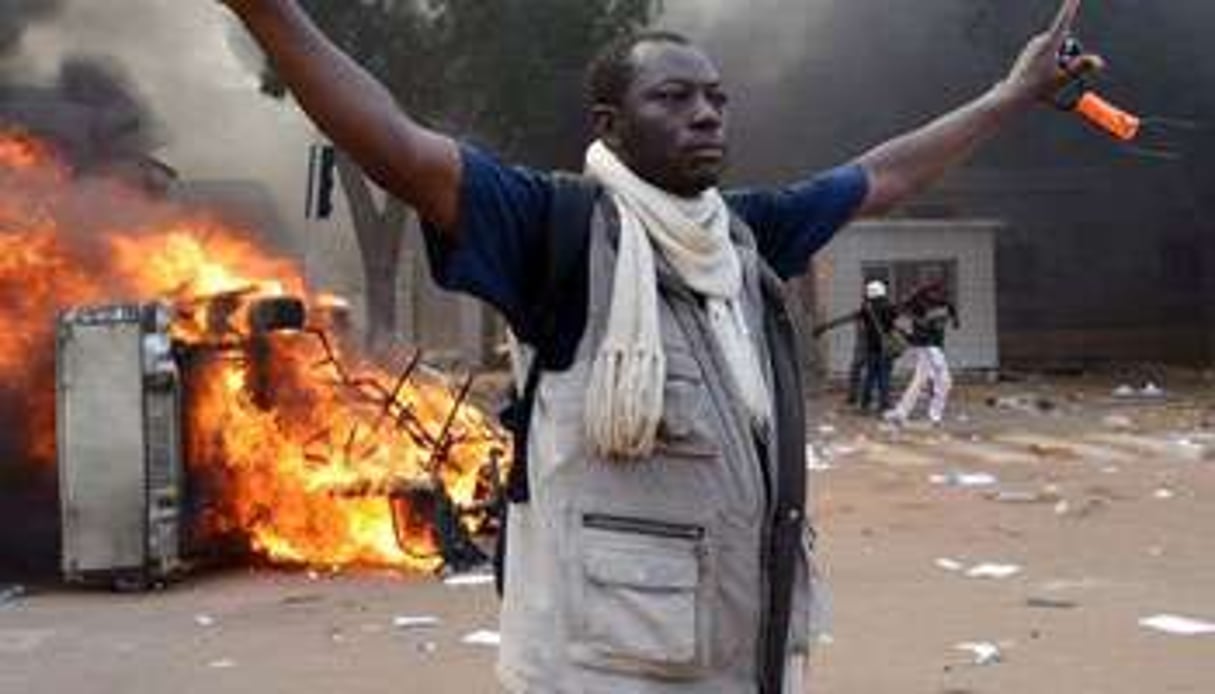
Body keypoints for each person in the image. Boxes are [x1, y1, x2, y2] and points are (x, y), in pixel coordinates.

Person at [213, 1, 1100, 691]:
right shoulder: (557, 228)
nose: (706, 114)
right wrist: (270, 13)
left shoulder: (743, 238)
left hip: (741, 653)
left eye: (715, 98)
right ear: (609, 123)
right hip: (603, 668)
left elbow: (885, 176)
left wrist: (1008, 94)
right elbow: (402, 151)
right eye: (672, 98)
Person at [813, 280, 901, 414]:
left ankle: (865, 404)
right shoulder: (889, 307)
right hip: (885, 349)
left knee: (870, 377)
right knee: (884, 377)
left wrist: (824, 327)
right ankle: (884, 404)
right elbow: (894, 320)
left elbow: (846, 319)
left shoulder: (867, 309)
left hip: (871, 349)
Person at [886, 280, 961, 426]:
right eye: (936, 293)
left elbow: (953, 317)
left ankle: (901, 412)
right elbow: (900, 311)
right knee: (945, 381)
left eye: (941, 293)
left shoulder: (944, 304)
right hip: (928, 347)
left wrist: (954, 320)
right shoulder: (920, 304)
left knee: (919, 381)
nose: (940, 296)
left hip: (934, 347)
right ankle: (934, 415)